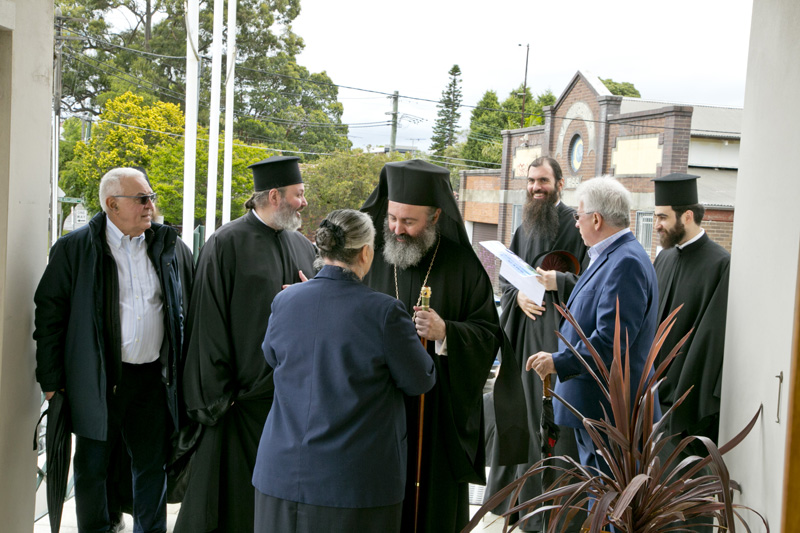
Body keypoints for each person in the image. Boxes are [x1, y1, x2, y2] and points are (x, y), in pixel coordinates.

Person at [252, 209, 436, 533]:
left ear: (323, 249)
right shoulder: (385, 313)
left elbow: (272, 357)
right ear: (366, 252)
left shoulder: (286, 301)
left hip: (280, 476)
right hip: (352, 486)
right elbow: (420, 379)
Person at [33, 167, 193, 533]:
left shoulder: (167, 246)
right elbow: (49, 318)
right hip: (97, 378)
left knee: (153, 464)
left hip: (153, 378)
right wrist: (51, 379)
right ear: (111, 204)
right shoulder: (75, 249)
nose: (150, 205)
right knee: (92, 465)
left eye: (151, 197)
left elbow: (186, 307)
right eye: (141, 199)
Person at [361, 159, 504, 533]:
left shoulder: (464, 267)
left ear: (436, 215)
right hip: (376, 410)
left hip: (435, 418)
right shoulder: (369, 256)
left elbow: (489, 335)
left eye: (409, 221)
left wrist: (447, 333)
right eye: (392, 218)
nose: (397, 229)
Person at [177, 155, 317, 532]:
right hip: (238, 408)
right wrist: (219, 398)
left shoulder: (303, 247)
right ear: (274, 195)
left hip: (291, 405)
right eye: (299, 194)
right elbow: (207, 323)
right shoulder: (225, 244)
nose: (304, 202)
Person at [526, 176, 659, 480]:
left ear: (596, 219)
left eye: (579, 215)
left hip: (607, 411)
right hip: (596, 406)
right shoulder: (611, 257)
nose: (576, 224)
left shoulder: (626, 262)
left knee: (609, 507)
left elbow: (611, 342)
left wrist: (558, 362)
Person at [485, 156, 588, 531]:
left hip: (559, 340)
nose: (536, 187)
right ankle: (517, 503)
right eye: (531, 181)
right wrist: (519, 297)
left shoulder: (578, 225)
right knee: (519, 416)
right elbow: (507, 277)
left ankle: (553, 512)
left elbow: (591, 283)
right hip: (524, 337)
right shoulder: (524, 224)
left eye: (543, 180)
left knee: (552, 425)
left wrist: (555, 280)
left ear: (561, 184)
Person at [652, 173, 730, 531]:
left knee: (690, 510)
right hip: (652, 403)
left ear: (687, 216)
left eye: (662, 217)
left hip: (687, 410)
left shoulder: (720, 265)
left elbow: (710, 341)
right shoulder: (664, 259)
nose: (657, 225)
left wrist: (678, 400)